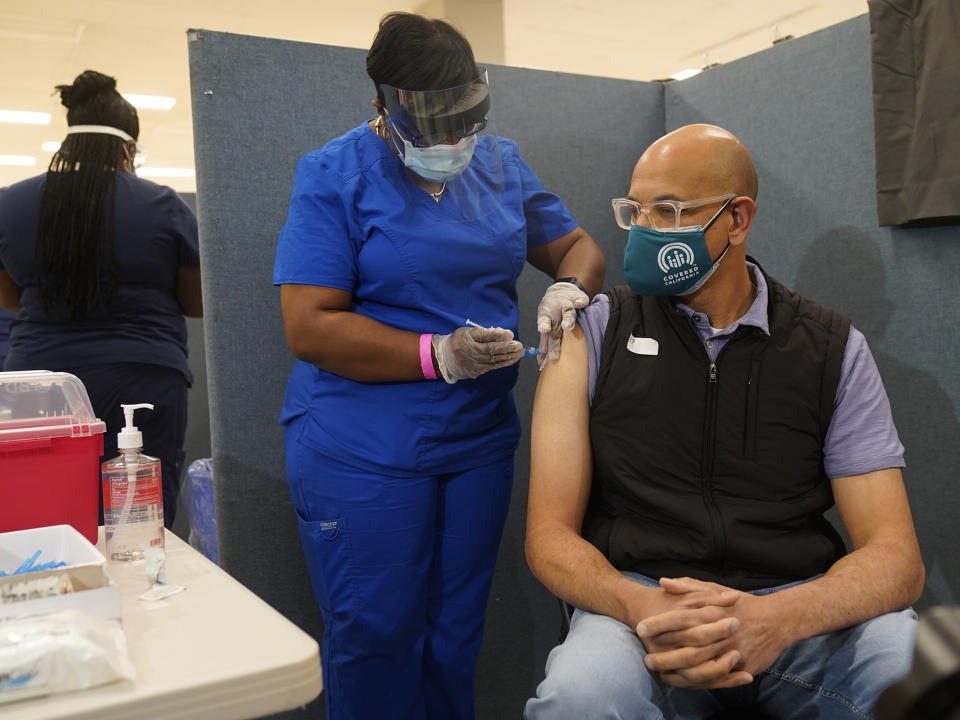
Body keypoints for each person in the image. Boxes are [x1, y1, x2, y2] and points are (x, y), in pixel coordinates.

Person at [523, 124, 924, 719]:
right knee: (579, 697)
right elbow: (548, 536)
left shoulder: (831, 349)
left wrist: (774, 619)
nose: (644, 231)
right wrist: (638, 606)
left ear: (737, 220)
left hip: (797, 610)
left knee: (921, 674)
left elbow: (895, 557)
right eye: (636, 211)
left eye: (669, 211)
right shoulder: (593, 333)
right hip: (643, 605)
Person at [272, 11, 605, 719]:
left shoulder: (501, 163)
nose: (454, 142)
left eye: (465, 121)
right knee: (376, 635)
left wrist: (571, 289)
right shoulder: (333, 175)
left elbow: (578, 247)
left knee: (455, 637)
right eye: (433, 126)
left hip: (477, 442)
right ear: (382, 107)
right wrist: (438, 356)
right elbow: (309, 326)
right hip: (361, 445)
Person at [0, 70, 202, 528]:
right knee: (140, 514)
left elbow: (9, 298)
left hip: (39, 381)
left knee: (42, 510)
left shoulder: (11, 203)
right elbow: (196, 301)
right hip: (142, 376)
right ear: (127, 148)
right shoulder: (161, 204)